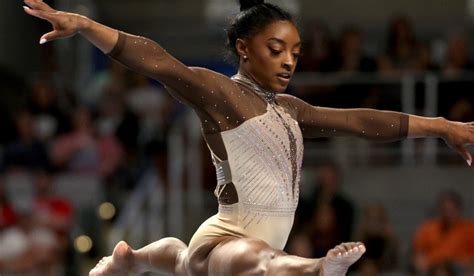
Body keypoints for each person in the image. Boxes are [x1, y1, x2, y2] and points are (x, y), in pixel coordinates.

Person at [23, 0, 474, 275]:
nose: (288, 62)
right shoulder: (222, 92)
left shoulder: (291, 110)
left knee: (184, 263)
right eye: (275, 50)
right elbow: (157, 62)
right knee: (256, 259)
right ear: (244, 48)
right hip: (228, 243)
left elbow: (359, 122)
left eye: (295, 52)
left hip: (225, 247)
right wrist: (86, 27)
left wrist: (441, 126)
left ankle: (132, 259)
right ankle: (317, 268)